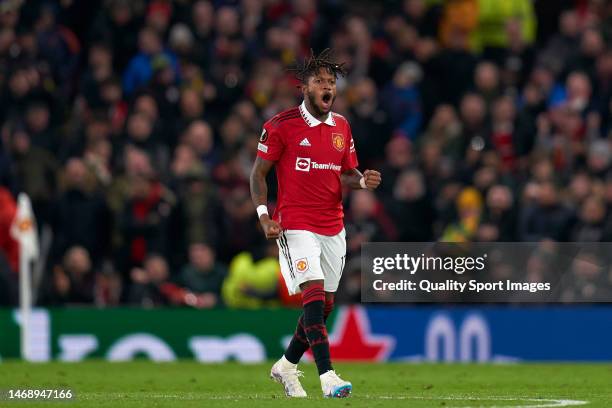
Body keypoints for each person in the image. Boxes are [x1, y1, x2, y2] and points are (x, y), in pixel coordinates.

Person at [249, 49, 382, 398]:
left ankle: (286, 366)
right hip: (295, 224)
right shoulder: (280, 126)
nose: (327, 86)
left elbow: (346, 174)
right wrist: (264, 217)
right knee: (311, 298)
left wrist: (362, 181)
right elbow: (258, 175)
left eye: (331, 81)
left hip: (333, 225)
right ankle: (328, 377)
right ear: (304, 87)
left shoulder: (342, 126)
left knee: (323, 306)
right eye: (319, 80)